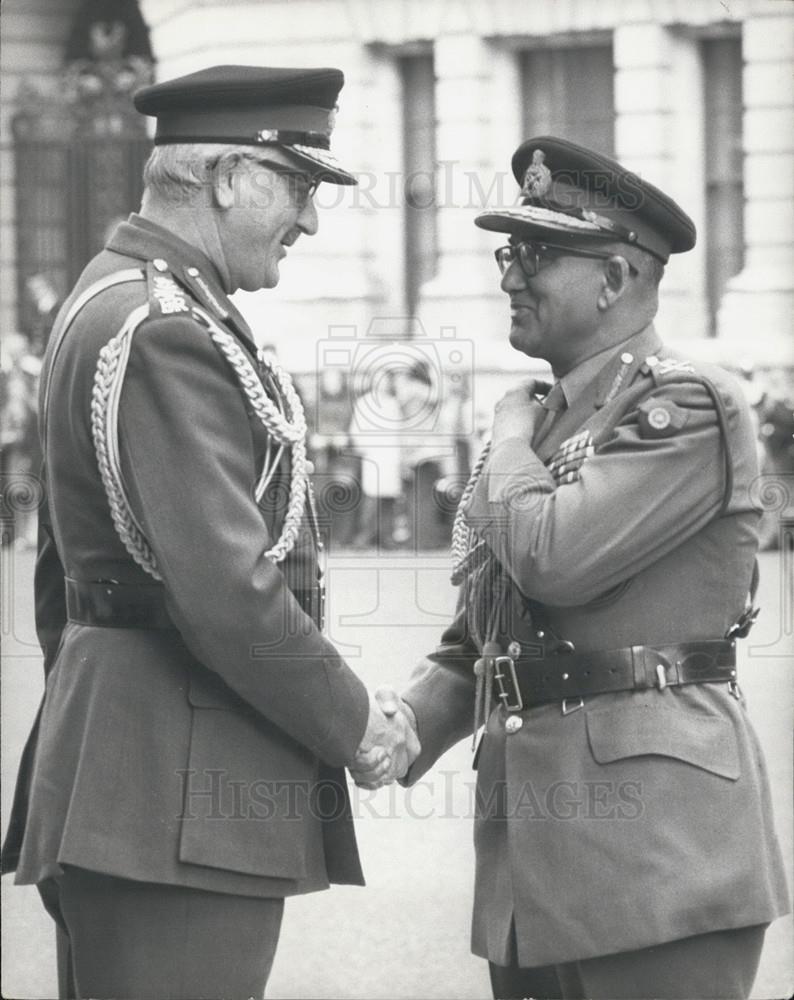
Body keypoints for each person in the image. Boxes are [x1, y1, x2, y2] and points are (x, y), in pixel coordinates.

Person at [1, 65, 418, 1000]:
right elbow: (231, 594)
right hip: (172, 792)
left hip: (131, 770)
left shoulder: (116, 298)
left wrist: (87, 722)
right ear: (229, 175)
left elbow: (59, 576)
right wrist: (359, 725)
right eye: (299, 186)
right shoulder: (165, 328)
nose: (308, 220)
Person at [355, 136, 790, 999]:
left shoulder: (684, 405)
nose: (511, 277)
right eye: (509, 252)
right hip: (532, 858)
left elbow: (556, 560)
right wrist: (400, 726)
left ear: (617, 280)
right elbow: (487, 633)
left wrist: (511, 439)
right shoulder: (550, 421)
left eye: (539, 255)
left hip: (657, 855)